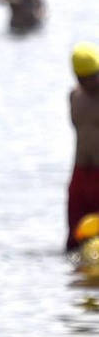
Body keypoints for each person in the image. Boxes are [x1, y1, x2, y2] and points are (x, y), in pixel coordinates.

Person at [67, 42, 99, 251]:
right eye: (84, 78)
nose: (91, 82)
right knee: (74, 239)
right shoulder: (74, 97)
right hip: (79, 174)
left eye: (94, 76)